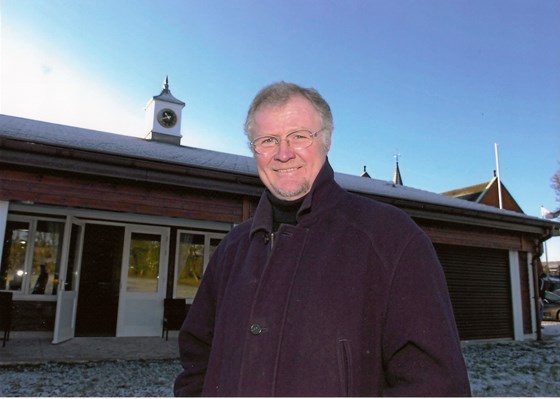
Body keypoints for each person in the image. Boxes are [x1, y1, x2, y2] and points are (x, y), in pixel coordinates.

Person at [174, 82, 471, 396]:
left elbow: (436, 386)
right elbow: (196, 363)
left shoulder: (390, 239)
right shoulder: (231, 251)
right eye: (268, 140)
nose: (284, 153)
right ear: (255, 150)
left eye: (299, 136)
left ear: (326, 140)